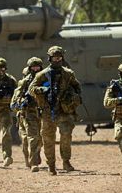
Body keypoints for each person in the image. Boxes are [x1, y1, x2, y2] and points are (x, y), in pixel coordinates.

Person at [29, 46, 82, 175]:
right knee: (48, 139)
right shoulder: (42, 74)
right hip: (48, 111)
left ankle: (66, 161)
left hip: (64, 111)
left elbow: (77, 87)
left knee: (66, 136)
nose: (57, 60)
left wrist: (73, 98)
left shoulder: (68, 73)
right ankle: (51, 165)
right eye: (54, 58)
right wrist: (43, 90)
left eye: (59, 58)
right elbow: (31, 89)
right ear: (50, 58)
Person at [12, 57, 44, 172]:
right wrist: (19, 104)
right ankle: (33, 162)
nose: (36, 68)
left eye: (37, 66)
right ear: (30, 68)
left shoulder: (46, 78)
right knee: (30, 138)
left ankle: (35, 154)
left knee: (41, 138)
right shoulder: (25, 81)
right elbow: (16, 96)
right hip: (29, 112)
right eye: (33, 67)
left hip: (43, 112)